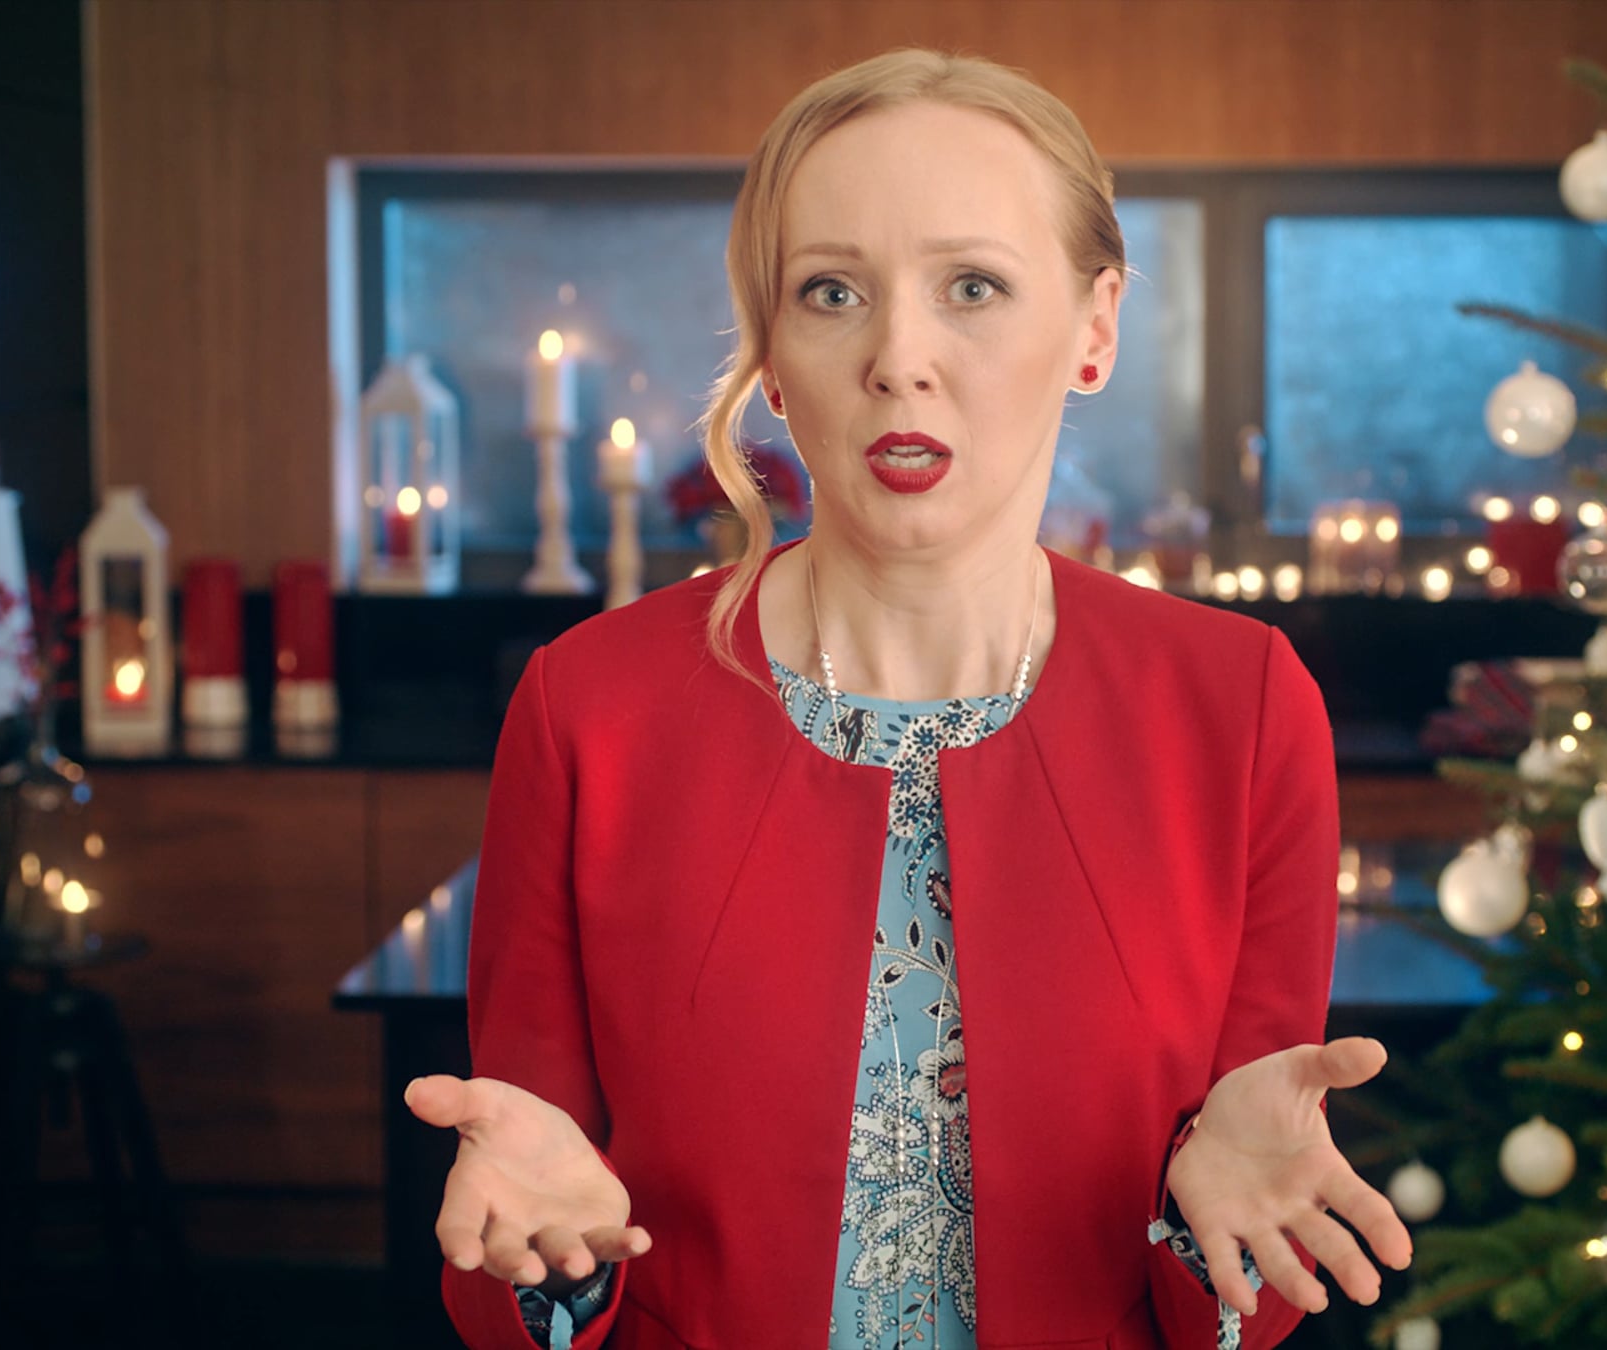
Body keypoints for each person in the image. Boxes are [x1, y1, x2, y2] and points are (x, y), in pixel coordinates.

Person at [402, 46, 1412, 1350]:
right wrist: (550, 1271)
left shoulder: (1244, 707)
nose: (898, 358)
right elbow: (515, 1250)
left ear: (1096, 326)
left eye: (972, 286)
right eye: (831, 292)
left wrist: (1209, 1228)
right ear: (771, 352)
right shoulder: (587, 708)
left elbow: (1245, 1279)